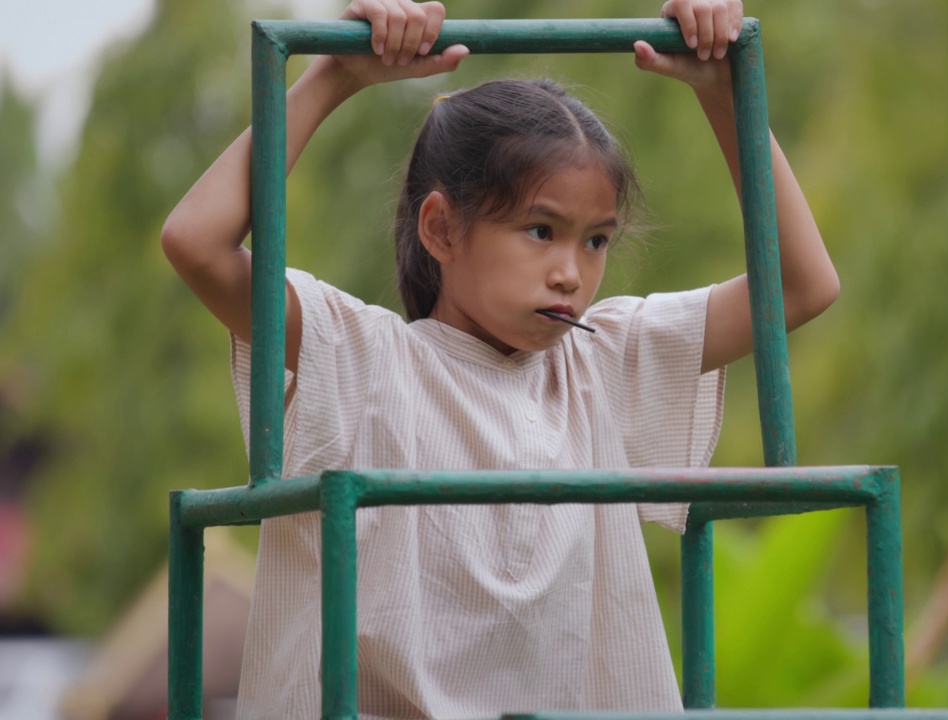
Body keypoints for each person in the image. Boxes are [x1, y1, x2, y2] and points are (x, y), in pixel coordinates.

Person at [162, 0, 838, 717]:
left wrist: (725, 92)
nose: (571, 273)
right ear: (441, 228)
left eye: (596, 241)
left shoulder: (601, 363)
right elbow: (196, 243)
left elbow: (801, 285)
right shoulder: (363, 357)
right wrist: (334, 77)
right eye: (540, 230)